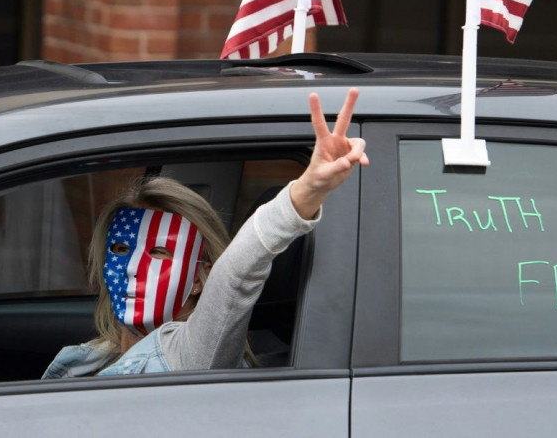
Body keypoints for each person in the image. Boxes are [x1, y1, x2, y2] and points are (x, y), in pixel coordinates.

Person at [42, 88, 368, 378]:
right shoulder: (84, 359)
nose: (130, 268)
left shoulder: (192, 356)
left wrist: (306, 192)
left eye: (159, 252)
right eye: (121, 250)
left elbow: (237, 272)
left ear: (201, 278)